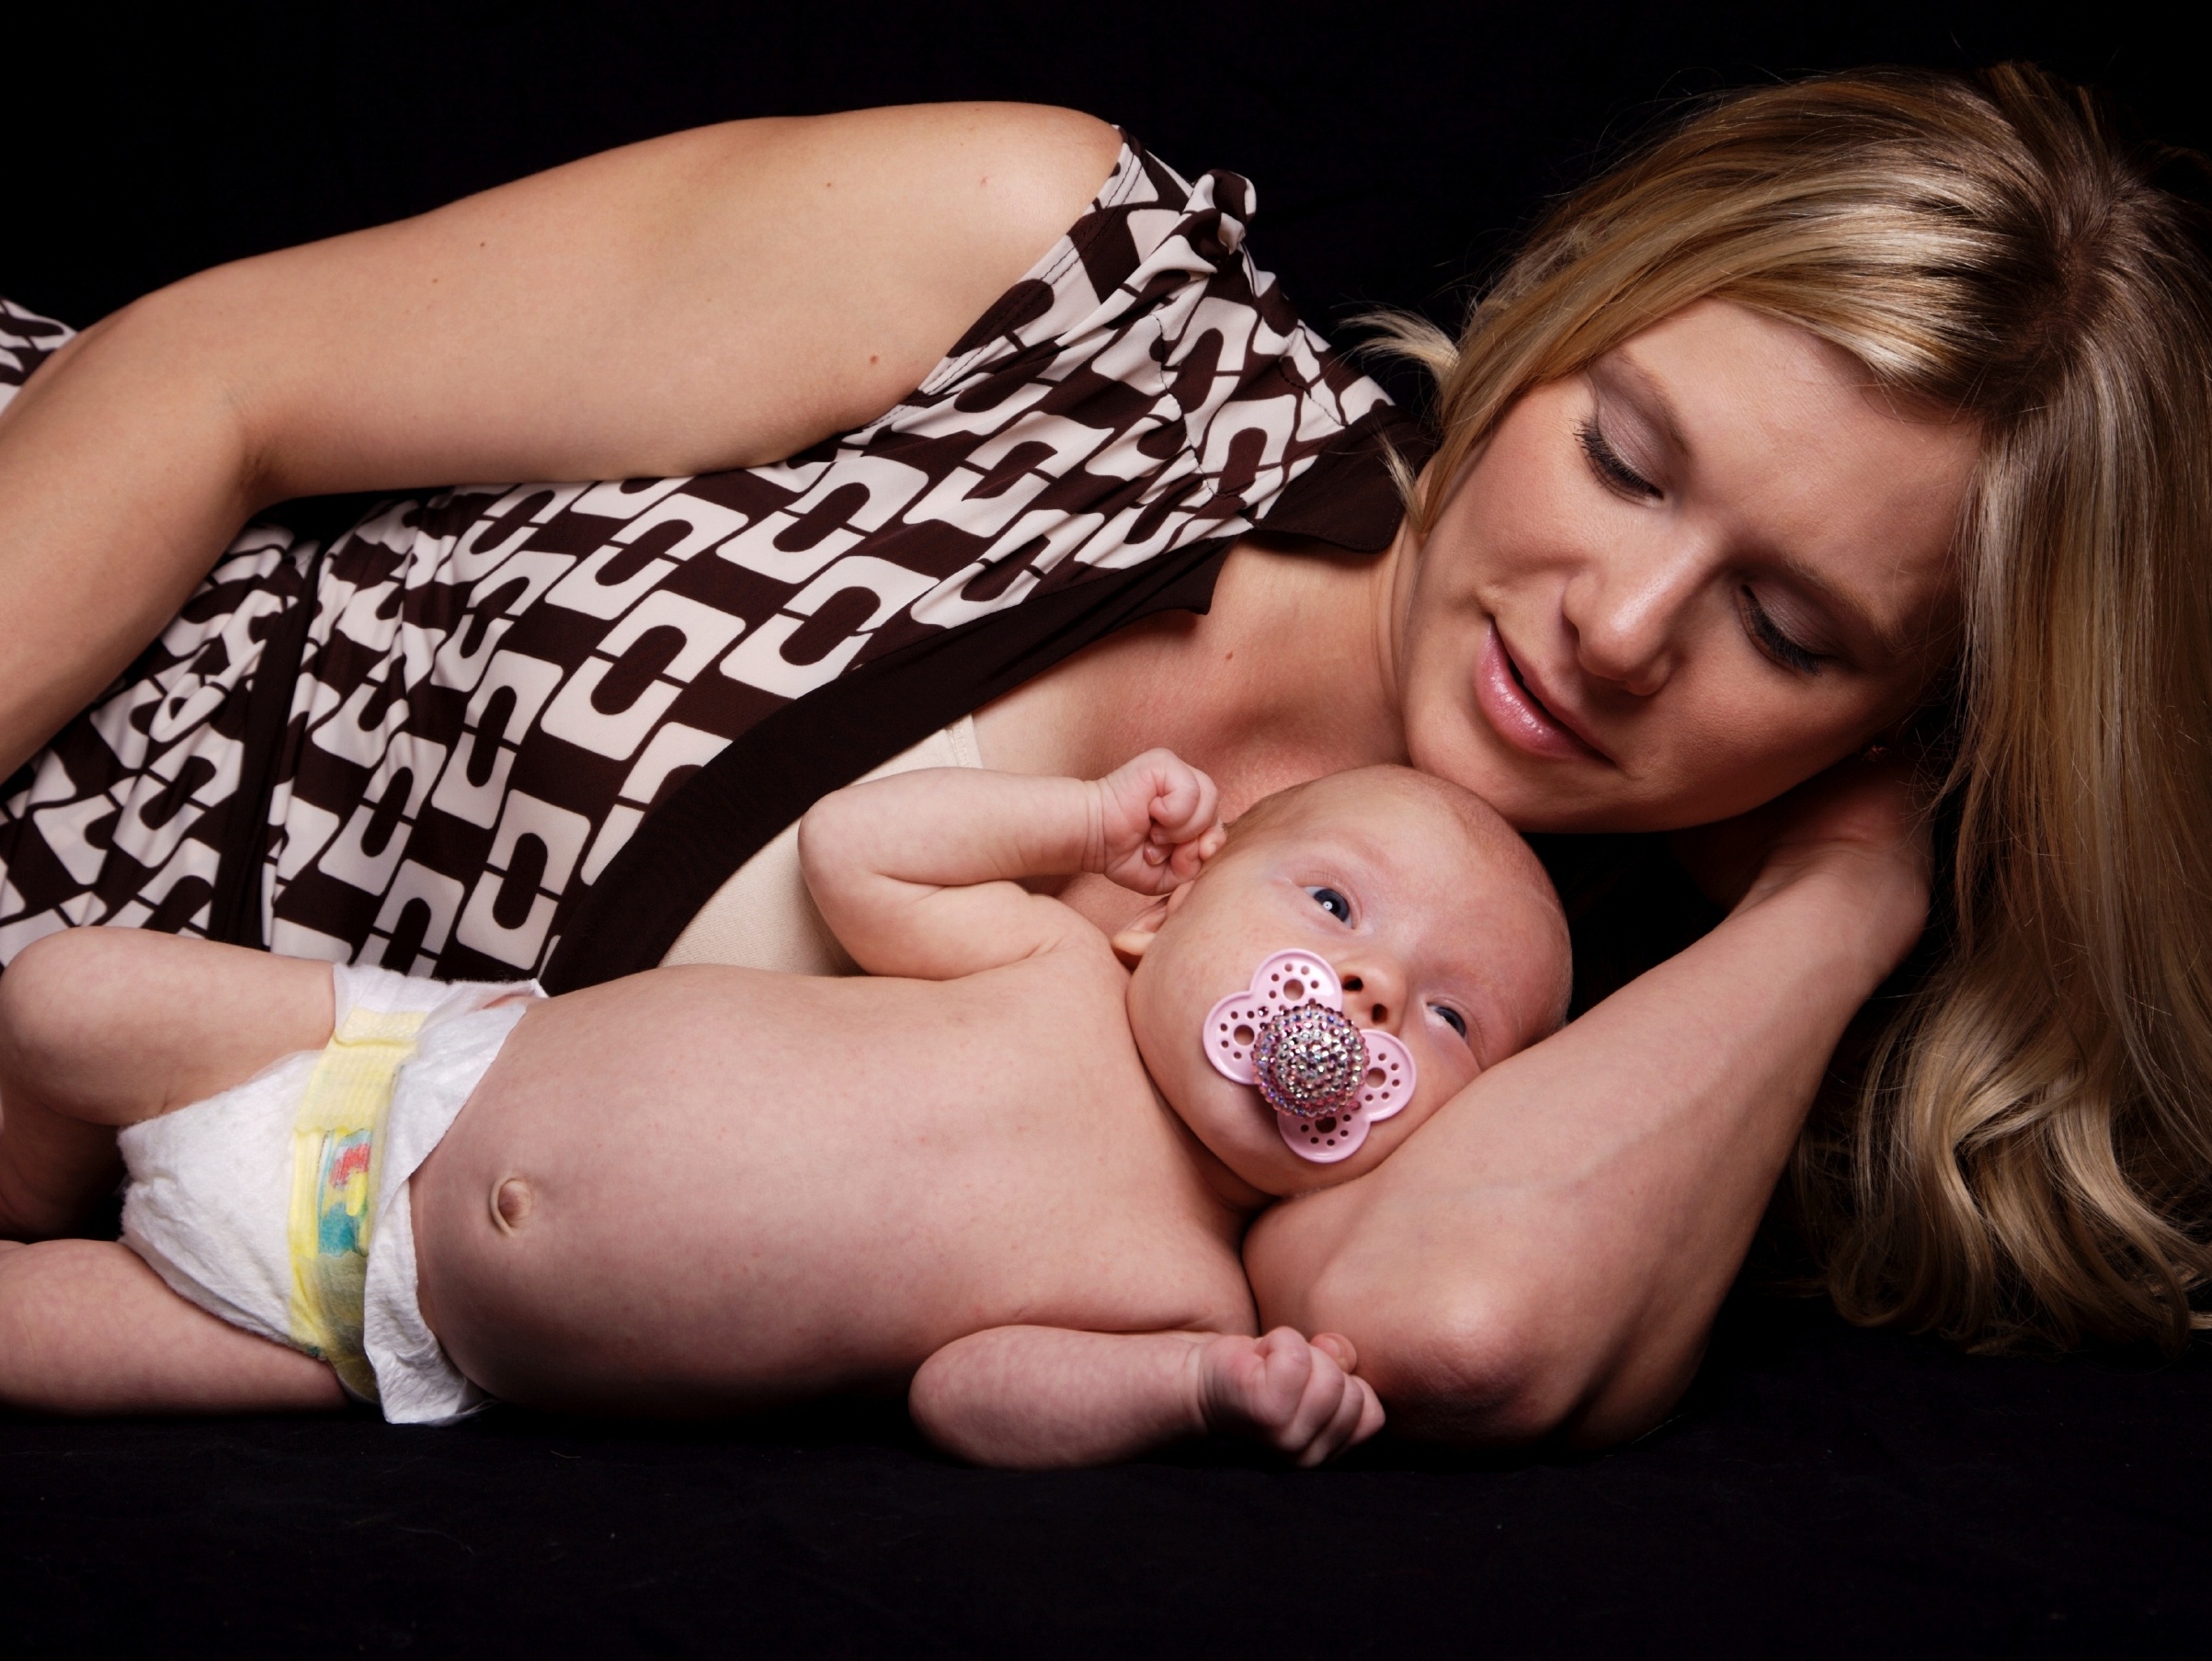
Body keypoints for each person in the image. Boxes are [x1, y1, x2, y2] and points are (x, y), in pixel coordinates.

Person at [1, 63, 2207, 1445]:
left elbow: (1443, 1326)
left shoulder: (1523, 1034)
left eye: (1790, 628)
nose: (1621, 634)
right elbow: (212, 381)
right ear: (1564, 312)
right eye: (1630, 462)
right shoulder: (1077, 293)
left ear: (1901, 722)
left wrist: (1851, 895)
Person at [0, 753, 1568, 1469]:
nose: (1365, 991)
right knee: (58, 1001)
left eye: (1445, 1015)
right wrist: (1082, 820)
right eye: (1330, 902)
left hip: (371, 1314)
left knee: (34, 1339)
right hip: (414, 1061)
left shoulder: (1183, 1288)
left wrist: (1201, 1392)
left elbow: (969, 1398)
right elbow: (854, 851)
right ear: (1169, 912)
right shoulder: (1044, 959)